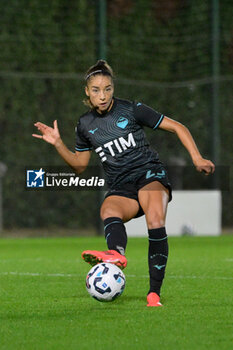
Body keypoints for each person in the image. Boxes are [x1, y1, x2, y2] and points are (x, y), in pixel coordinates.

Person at [33, 60, 215, 307]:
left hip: (149, 173)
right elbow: (79, 165)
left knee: (155, 220)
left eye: (107, 88)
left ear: (113, 88)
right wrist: (57, 144)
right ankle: (116, 254)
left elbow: (177, 127)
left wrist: (197, 157)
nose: (103, 95)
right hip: (122, 184)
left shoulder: (131, 109)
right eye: (96, 90)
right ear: (87, 92)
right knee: (108, 210)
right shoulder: (84, 125)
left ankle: (153, 294)